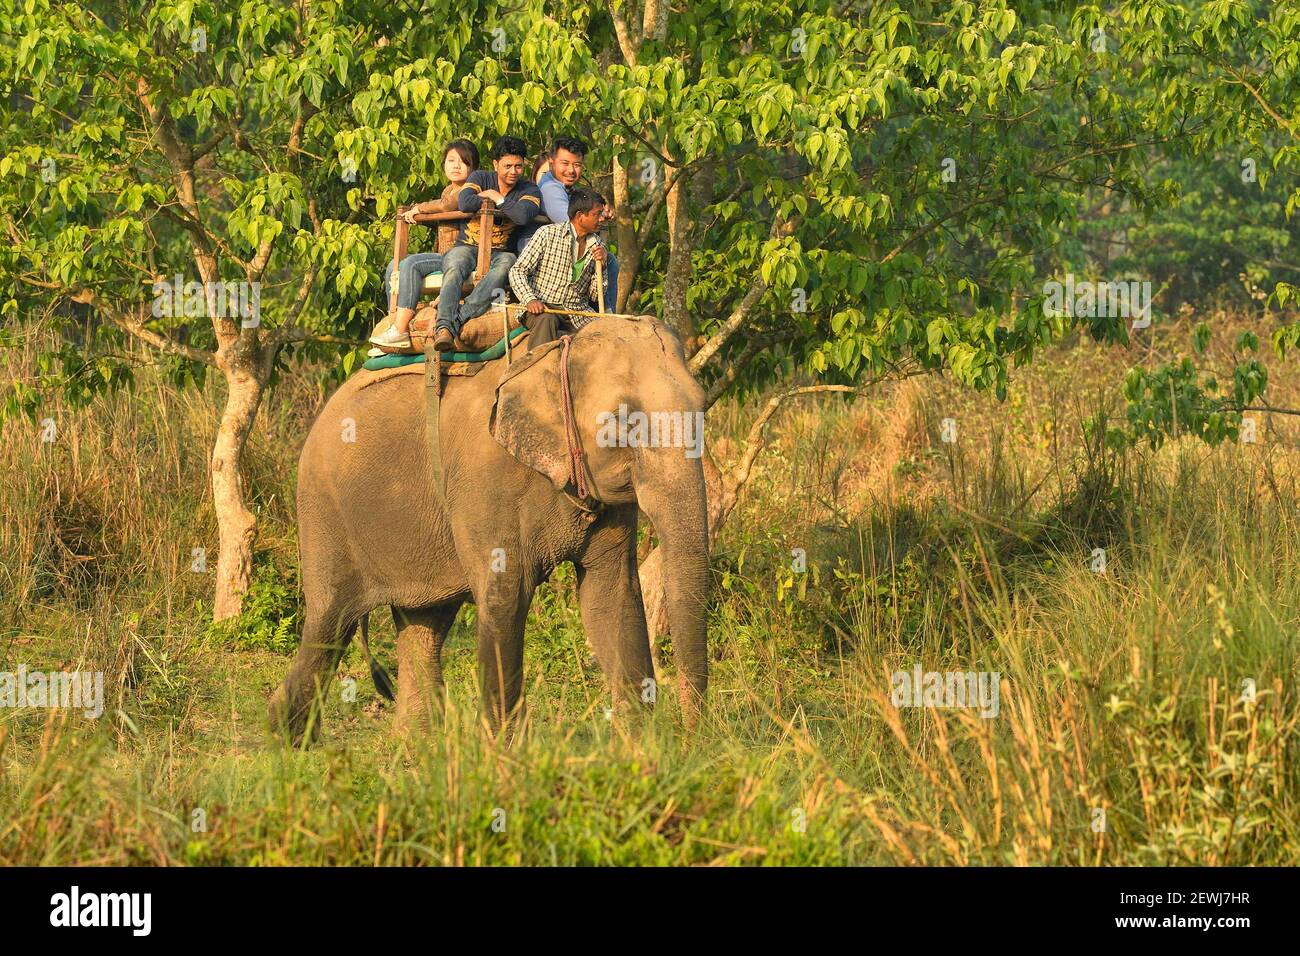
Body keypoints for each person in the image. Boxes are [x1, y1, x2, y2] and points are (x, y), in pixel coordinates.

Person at [431, 135, 543, 351]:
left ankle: (455, 321)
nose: (513, 172)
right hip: (466, 247)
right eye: (507, 166)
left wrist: (496, 197)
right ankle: (443, 326)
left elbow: (522, 215)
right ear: (495, 164)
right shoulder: (480, 176)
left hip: (501, 251)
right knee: (455, 265)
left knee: (508, 262)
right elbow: (465, 202)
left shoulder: (530, 190)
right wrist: (505, 203)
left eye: (518, 166)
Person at [371, 139, 479, 350]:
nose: (456, 166)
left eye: (463, 161)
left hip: (461, 257)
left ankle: (401, 330)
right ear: (443, 165)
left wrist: (419, 208)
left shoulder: (470, 188)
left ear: (473, 166)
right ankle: (392, 325)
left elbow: (449, 205)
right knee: (394, 265)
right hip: (445, 254)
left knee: (410, 263)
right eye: (451, 160)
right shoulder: (448, 190)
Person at [517, 136, 620, 313]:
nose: (571, 170)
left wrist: (600, 212)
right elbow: (569, 221)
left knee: (602, 255)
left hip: (559, 246)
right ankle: (607, 312)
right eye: (565, 163)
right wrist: (595, 217)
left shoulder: (568, 189)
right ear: (552, 163)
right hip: (542, 252)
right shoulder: (550, 187)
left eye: (577, 165)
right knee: (608, 260)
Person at [508, 186, 609, 348]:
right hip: (542, 309)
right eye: (597, 214)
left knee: (605, 334)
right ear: (580, 216)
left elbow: (596, 297)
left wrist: (602, 267)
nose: (602, 219)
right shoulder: (547, 234)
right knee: (547, 320)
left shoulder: (597, 245)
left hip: (577, 313)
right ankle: (537, 370)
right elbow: (517, 271)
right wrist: (530, 299)